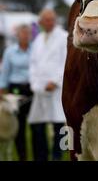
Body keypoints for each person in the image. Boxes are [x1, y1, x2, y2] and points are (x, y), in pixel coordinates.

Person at [28, 9, 67, 161]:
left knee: (59, 125)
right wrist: (34, 82)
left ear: (55, 20)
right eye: (46, 20)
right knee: (37, 125)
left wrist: (55, 82)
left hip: (56, 89)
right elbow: (32, 63)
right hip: (39, 89)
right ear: (41, 22)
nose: (49, 22)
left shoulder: (63, 37)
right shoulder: (38, 39)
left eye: (51, 19)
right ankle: (41, 156)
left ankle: (57, 156)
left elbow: (66, 63)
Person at [0, 24, 33, 161]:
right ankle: (22, 156)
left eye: (27, 34)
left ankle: (39, 155)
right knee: (19, 127)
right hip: (15, 91)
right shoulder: (10, 52)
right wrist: (2, 89)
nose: (25, 36)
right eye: (22, 33)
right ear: (17, 35)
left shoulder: (35, 50)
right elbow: (5, 72)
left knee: (36, 125)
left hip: (32, 90)